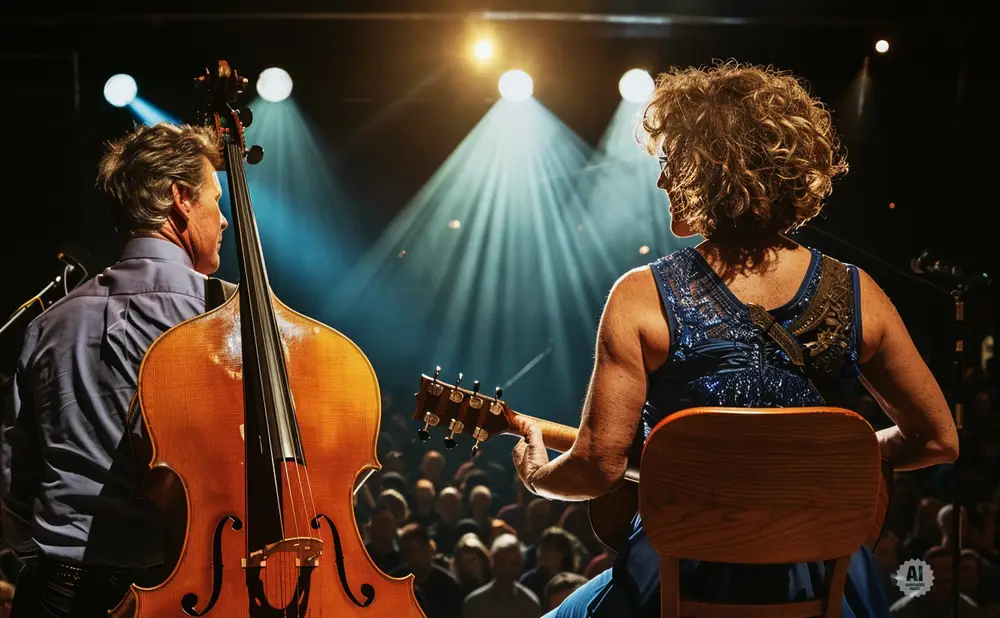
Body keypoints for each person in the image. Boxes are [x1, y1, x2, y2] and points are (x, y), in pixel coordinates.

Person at [508, 61, 959, 618]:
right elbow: (939, 441)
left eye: (672, 162)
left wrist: (536, 477)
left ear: (715, 168)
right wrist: (850, 453)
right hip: (817, 585)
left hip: (681, 578)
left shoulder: (641, 298)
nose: (661, 181)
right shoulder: (858, 293)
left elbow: (597, 468)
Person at [0, 122, 230, 617]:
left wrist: (41, 560)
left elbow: (14, 480)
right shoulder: (227, 320)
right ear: (180, 199)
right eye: (217, 199)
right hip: (182, 595)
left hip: (55, 593)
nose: (226, 219)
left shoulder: (49, 325)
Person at [390, 523, 464, 618]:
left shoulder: (449, 587)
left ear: (428, 550)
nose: (407, 557)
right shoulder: (394, 583)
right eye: (404, 552)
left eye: (412, 550)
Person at [463, 533, 541, 618]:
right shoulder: (475, 604)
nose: (507, 568)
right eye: (502, 562)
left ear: (520, 566)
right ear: (492, 563)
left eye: (513, 563)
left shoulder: (529, 603)